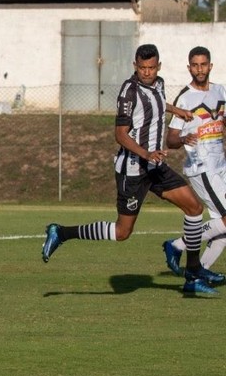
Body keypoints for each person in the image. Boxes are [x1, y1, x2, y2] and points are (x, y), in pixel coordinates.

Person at [41, 43, 222, 296]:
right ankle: (61, 232)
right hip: (133, 169)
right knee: (122, 231)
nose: (147, 72)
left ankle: (192, 275)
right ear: (134, 66)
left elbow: (157, 101)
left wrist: (177, 110)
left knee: (194, 208)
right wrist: (146, 153)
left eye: (151, 68)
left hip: (155, 166)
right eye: (142, 68)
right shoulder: (128, 92)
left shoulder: (158, 83)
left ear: (158, 66)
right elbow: (120, 135)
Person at [162, 46, 226, 277]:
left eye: (203, 64)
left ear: (211, 66)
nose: (200, 69)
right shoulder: (185, 97)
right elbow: (170, 140)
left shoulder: (221, 91)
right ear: (189, 67)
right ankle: (177, 245)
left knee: (223, 227)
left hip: (221, 166)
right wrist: (182, 137)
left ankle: (198, 273)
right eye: (195, 65)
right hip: (202, 167)